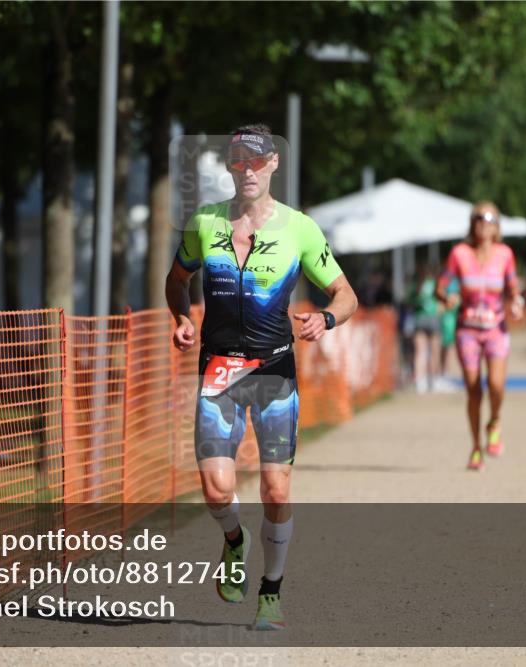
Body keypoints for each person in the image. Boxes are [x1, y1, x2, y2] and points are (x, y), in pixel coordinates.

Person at [164, 124, 357, 630]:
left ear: (273, 164)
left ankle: (271, 591)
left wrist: (327, 318)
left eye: (255, 160)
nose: (246, 169)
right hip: (220, 368)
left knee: (275, 489)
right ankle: (234, 540)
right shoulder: (204, 222)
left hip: (274, 370)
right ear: (230, 167)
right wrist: (182, 317)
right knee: (215, 489)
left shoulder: (300, 228)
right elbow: (177, 280)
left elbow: (346, 294)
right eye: (237, 161)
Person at [436, 202, 524, 471]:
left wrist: (516, 301)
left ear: (497, 225)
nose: (483, 223)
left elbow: (512, 287)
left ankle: (494, 421)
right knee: (474, 390)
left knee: (496, 385)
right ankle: (476, 447)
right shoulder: (459, 253)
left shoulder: (505, 254)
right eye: (478, 218)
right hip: (468, 330)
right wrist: (447, 296)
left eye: (489, 219)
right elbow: (441, 286)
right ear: (472, 223)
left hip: (496, 328)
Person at [408, 266, 442, 393]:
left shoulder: (415, 285)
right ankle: (434, 381)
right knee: (434, 351)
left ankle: (420, 381)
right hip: (433, 318)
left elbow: (408, 300)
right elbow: (441, 299)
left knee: (420, 352)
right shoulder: (434, 283)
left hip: (419, 319)